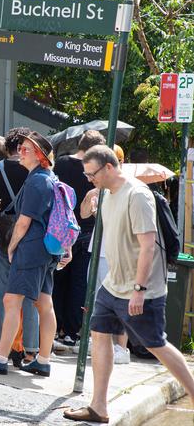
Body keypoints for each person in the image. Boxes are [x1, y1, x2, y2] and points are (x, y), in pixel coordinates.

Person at [65, 145, 194, 423]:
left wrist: (139, 289)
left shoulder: (137, 196)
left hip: (140, 289)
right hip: (112, 285)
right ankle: (98, 407)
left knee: (155, 344)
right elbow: (85, 216)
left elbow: (147, 246)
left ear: (109, 167)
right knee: (99, 334)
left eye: (92, 174)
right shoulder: (107, 194)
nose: (90, 179)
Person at [0, 131, 70, 377]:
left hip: (30, 249)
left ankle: (0, 358)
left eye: (26, 149)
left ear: (39, 156)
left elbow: (23, 222)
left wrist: (11, 246)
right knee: (43, 302)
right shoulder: (48, 177)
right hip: (45, 251)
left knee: (11, 300)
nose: (20, 152)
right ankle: (43, 360)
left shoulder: (37, 180)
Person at [0, 127, 39, 367]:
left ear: (8, 147)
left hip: (3, 232)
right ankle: (30, 349)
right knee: (29, 294)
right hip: (30, 236)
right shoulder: (38, 171)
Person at [52, 130, 106, 349]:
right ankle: (71, 333)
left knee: (58, 280)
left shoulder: (62, 164)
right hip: (87, 230)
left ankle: (54, 329)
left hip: (62, 229)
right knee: (78, 284)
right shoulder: (96, 169)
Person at [81, 144, 130, 365]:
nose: (93, 177)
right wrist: (92, 198)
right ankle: (102, 341)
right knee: (96, 297)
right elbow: (83, 214)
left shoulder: (125, 191)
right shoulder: (97, 190)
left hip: (117, 253)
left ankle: (122, 348)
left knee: (119, 299)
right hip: (98, 248)